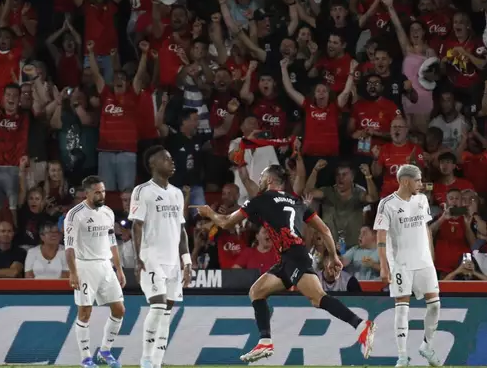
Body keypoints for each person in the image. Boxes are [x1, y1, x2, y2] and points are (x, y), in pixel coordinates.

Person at [192, 164, 376, 363]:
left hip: (294, 256)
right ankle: (264, 341)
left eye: (262, 176)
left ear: (270, 180)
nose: (260, 180)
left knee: (317, 298)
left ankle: (361, 326)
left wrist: (209, 213)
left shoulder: (260, 200)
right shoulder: (296, 201)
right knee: (257, 292)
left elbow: (227, 222)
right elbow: (324, 230)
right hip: (289, 258)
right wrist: (333, 256)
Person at [129, 145, 192, 368]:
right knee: (158, 305)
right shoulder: (142, 191)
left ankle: (156, 363)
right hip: (151, 257)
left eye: (172, 158)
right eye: (166, 159)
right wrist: (138, 258)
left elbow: (182, 229)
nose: (172, 162)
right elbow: (136, 226)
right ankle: (146, 358)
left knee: (166, 313)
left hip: (173, 260)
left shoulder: (176, 193)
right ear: (153, 164)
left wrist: (187, 261)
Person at [373, 164, 442, 367]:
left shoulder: (422, 200)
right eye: (418, 180)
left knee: (435, 305)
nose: (421, 184)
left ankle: (427, 347)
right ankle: (402, 357)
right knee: (402, 309)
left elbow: (426, 228)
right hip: (401, 263)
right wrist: (384, 266)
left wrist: (431, 256)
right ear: (405, 181)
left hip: (424, 262)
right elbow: (381, 237)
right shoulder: (387, 204)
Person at [64, 175, 126, 368]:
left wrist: (119, 269)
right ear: (87, 193)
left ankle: (105, 351)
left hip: (105, 265)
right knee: (85, 312)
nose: (102, 194)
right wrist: (73, 272)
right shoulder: (75, 215)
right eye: (98, 191)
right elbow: (69, 247)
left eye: (104, 191)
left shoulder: (108, 212)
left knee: (119, 310)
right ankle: (86, 359)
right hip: (84, 266)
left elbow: (112, 242)